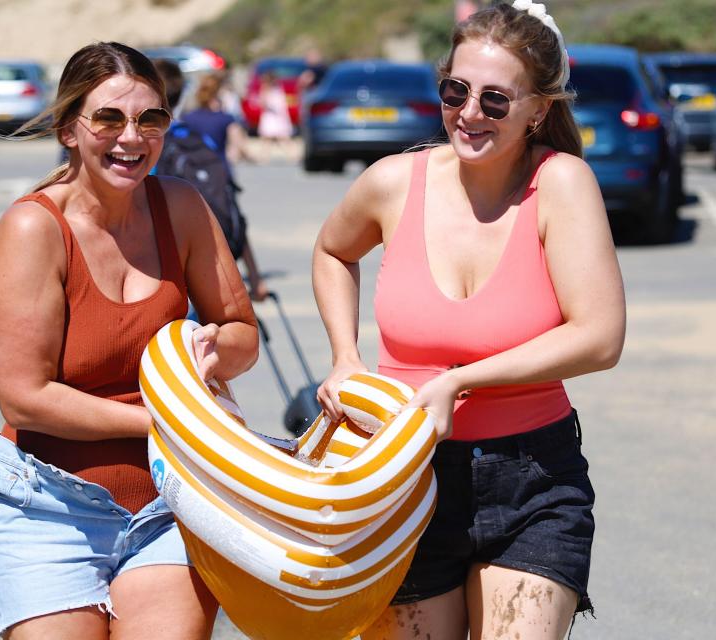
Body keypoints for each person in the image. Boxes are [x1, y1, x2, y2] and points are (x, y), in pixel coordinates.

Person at [312, 3, 625, 639]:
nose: (470, 113)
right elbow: (332, 251)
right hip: (401, 475)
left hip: (531, 481)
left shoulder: (560, 184)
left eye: (495, 100)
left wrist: (461, 382)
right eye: (455, 91)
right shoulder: (393, 182)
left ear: (539, 109)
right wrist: (345, 358)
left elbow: (600, 337)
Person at [0, 41, 258, 639]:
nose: (132, 137)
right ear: (69, 130)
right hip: (50, 505)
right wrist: (166, 419)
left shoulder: (180, 206)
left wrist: (208, 352)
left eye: (150, 119)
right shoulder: (33, 227)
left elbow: (242, 335)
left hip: (169, 499)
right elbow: (24, 397)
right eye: (109, 118)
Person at [157, 64, 268, 302]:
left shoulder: (177, 130)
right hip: (217, 177)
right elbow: (235, 213)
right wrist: (255, 279)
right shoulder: (218, 122)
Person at [256, 71, 293, 149]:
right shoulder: (272, 89)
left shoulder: (275, 89)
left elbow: (263, 103)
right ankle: (263, 157)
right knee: (268, 139)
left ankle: (294, 156)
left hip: (275, 117)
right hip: (271, 117)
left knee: (282, 138)